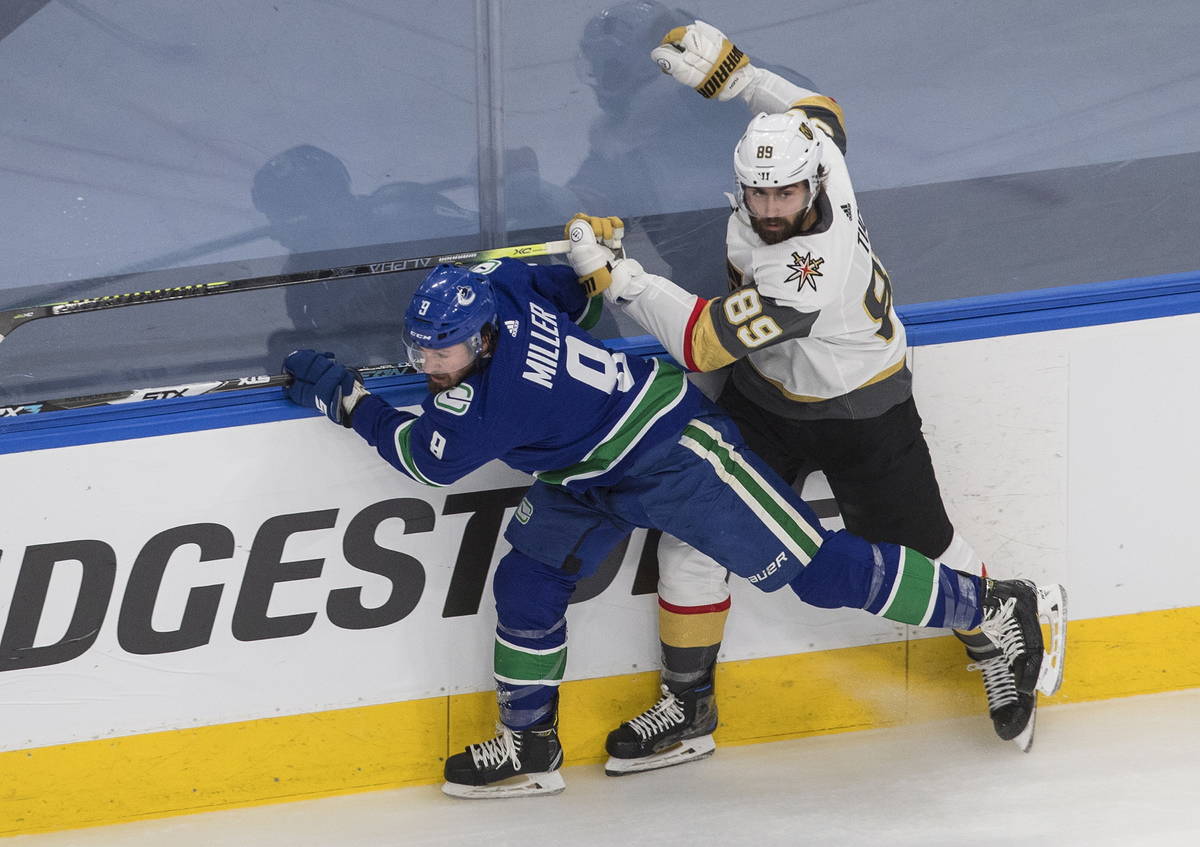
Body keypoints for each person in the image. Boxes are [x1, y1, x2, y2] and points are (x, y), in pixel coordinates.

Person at [279, 217, 1066, 798]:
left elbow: (423, 457)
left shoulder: (497, 401)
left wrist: (347, 400)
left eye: (441, 352)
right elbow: (576, 299)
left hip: (673, 451)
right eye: (420, 351)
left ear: (482, 339)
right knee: (526, 582)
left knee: (817, 573)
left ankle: (993, 606)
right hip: (585, 467)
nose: (428, 366)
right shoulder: (502, 293)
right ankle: (531, 745)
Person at [585, 20, 1047, 770]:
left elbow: (703, 340)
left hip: (863, 410)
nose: (770, 208)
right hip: (765, 402)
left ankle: (1003, 621)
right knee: (693, 542)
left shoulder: (806, 273)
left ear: (813, 186)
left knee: (922, 550)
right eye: (758, 193)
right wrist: (736, 76)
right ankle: (690, 705)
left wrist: (620, 279)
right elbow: (818, 106)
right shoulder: (815, 152)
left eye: (785, 193)